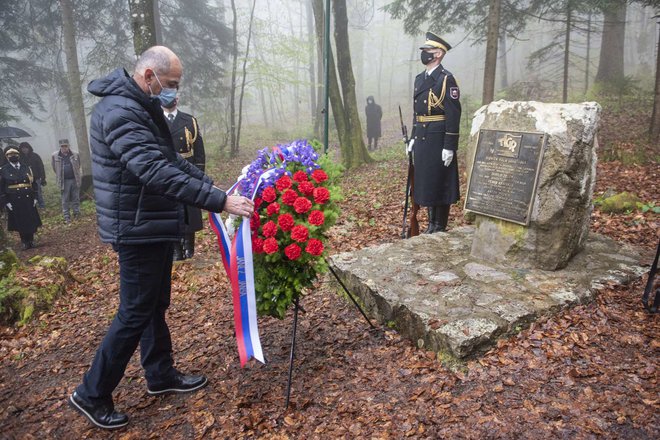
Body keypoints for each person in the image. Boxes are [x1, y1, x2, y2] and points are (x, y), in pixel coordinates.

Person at [68, 46, 254, 430]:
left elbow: (169, 158)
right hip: (136, 227)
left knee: (153, 305)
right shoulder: (121, 111)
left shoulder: (137, 105)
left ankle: (159, 373)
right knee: (135, 310)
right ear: (149, 75)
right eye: (169, 84)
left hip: (149, 222)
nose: (172, 91)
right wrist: (219, 201)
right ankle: (91, 392)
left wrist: (213, 186)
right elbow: (153, 171)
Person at [407, 32, 461, 233]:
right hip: (422, 137)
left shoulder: (446, 79)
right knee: (427, 180)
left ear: (438, 54)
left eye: (427, 51)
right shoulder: (419, 78)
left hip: (438, 137)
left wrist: (450, 146)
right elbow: (416, 111)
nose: (424, 54)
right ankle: (430, 224)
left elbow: (453, 114)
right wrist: (412, 137)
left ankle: (438, 225)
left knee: (439, 179)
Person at [163, 97, 206, 260]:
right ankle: (175, 249)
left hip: (188, 172)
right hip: (165, 173)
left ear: (178, 98)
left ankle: (189, 246)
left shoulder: (189, 120)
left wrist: (199, 174)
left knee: (190, 210)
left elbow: (199, 151)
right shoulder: (154, 120)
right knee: (169, 210)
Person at [0, 147, 42, 249]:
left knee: (30, 219)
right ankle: (24, 241)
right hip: (14, 199)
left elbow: (33, 183)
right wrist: (5, 202)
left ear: (18, 156)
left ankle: (31, 240)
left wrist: (36, 196)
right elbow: (1, 188)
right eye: (10, 156)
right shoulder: (3, 170)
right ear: (7, 157)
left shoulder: (26, 167)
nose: (13, 157)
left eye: (15, 155)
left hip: (28, 197)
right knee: (20, 220)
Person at [51, 139, 81, 223]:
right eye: (62, 146)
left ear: (68, 146)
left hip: (75, 179)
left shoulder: (75, 154)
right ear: (60, 146)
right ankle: (66, 216)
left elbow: (78, 165)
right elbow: (54, 168)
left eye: (66, 146)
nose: (64, 147)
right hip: (64, 181)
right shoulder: (55, 156)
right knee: (65, 199)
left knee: (76, 198)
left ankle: (76, 213)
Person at [19, 142, 47, 208]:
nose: (24, 150)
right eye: (23, 148)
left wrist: (43, 178)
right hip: (25, 179)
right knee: (28, 194)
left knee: (38, 193)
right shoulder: (20, 158)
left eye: (26, 148)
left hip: (36, 178)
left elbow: (41, 167)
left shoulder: (35, 156)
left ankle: (42, 206)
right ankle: (32, 207)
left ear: (29, 148)